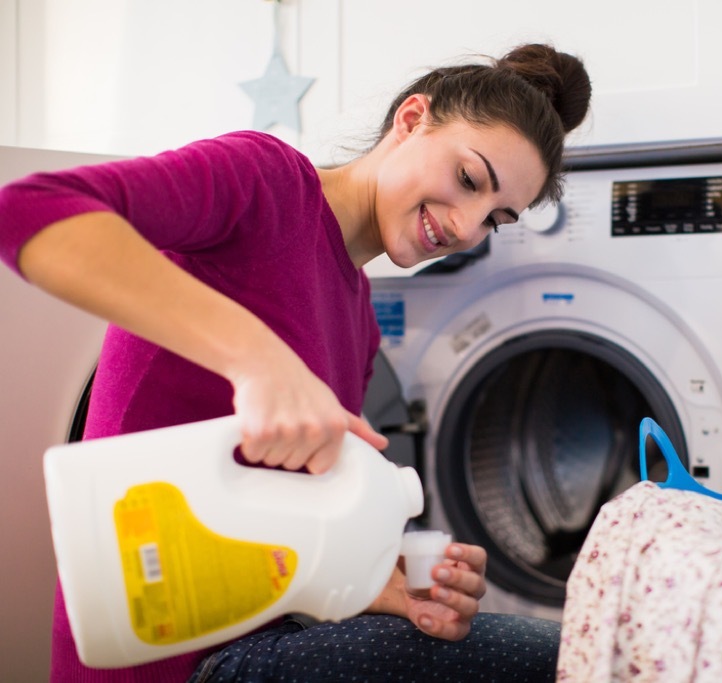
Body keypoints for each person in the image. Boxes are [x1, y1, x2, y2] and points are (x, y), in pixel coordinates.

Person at [0, 43, 592, 682]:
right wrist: (257, 359)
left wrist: (378, 581)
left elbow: (278, 530)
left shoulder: (359, 322)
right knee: (577, 663)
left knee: (569, 653)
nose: (466, 226)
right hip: (157, 654)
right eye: (469, 180)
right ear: (413, 119)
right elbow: (29, 211)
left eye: (495, 220)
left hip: (257, 634)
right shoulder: (267, 182)